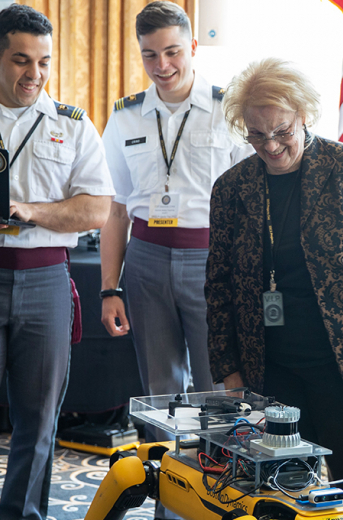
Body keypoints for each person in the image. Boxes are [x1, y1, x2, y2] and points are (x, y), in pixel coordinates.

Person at [205, 57, 343, 500]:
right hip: (269, 369)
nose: (269, 146)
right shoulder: (232, 188)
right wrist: (227, 366)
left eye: (282, 132)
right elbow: (219, 283)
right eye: (256, 134)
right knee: (278, 489)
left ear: (303, 116)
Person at [0, 5, 114, 520]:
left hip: (48, 282)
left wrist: (30, 211)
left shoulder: (73, 126)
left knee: (38, 425)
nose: (34, 74)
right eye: (21, 60)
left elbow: (96, 207)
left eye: (45, 62)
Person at [100, 0, 249, 434]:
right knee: (159, 394)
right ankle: (170, 500)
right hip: (146, 259)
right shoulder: (125, 117)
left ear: (194, 47)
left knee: (219, 388)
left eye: (172, 52)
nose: (161, 65)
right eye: (150, 54)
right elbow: (116, 208)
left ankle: (219, 499)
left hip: (212, 260)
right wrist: (111, 287)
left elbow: (251, 207)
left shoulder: (229, 111)